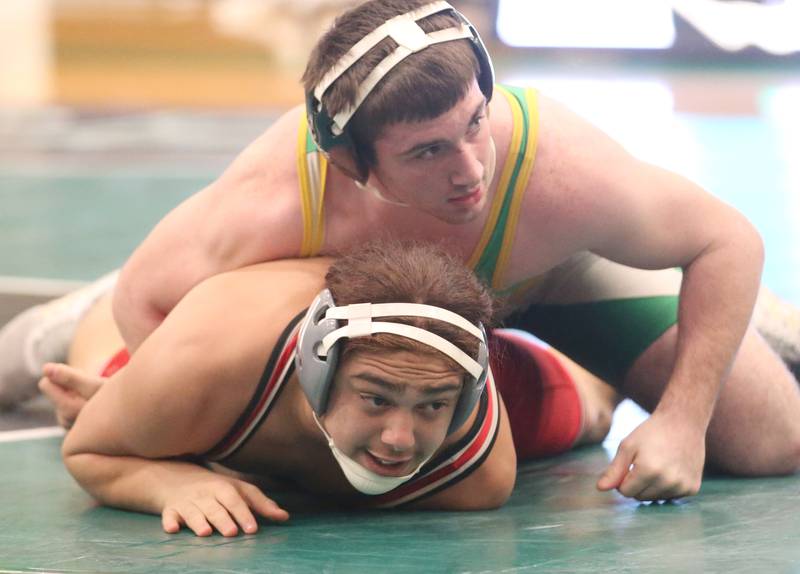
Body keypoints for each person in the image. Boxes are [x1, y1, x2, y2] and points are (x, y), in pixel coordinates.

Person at [2, 0, 799, 502]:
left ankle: (743, 318)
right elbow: (145, 295)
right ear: (353, 164)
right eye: (426, 153)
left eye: (475, 123)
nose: (470, 171)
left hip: (554, 271)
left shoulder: (559, 172)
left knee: (770, 443)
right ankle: (59, 320)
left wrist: (685, 423)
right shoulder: (283, 199)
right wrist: (151, 408)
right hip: (362, 290)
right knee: (137, 334)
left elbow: (727, 237)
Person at [40, 241, 617, 536]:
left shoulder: (477, 474)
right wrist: (167, 480)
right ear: (318, 366)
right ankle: (86, 310)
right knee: (103, 372)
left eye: (434, 406)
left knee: (594, 409)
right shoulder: (209, 361)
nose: (398, 439)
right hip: (215, 330)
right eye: (375, 398)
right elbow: (86, 450)